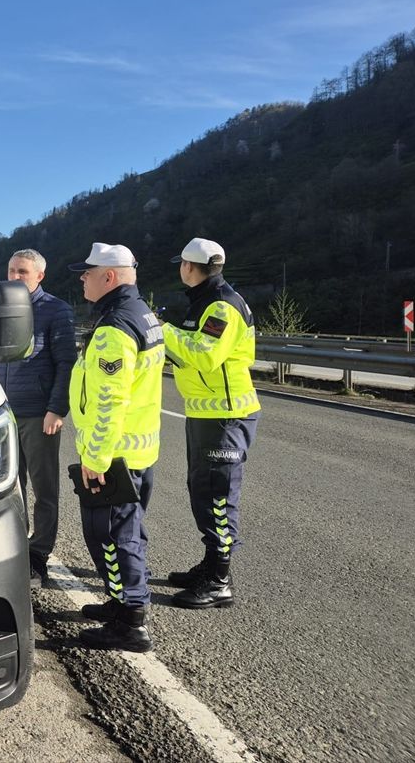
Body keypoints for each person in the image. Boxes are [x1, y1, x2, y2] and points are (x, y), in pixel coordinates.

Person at [68, 242, 164, 652]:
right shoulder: (143, 315)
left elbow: (110, 401)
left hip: (115, 457)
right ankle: (121, 602)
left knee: (110, 537)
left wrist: (96, 458)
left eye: (87, 273)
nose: (82, 280)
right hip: (138, 450)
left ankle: (131, 623)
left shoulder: (113, 328)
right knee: (128, 532)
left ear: (109, 277)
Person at [163, 238, 260, 610]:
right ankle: (211, 564)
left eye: (181, 264)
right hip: (205, 411)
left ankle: (219, 580)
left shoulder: (222, 305)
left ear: (189, 267)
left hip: (226, 414)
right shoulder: (206, 301)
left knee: (218, 495)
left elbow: (203, 356)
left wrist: (159, 330)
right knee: (201, 490)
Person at [0, 250, 76, 588]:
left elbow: (67, 363)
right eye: (11, 270)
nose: (15, 277)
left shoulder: (56, 310)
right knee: (10, 486)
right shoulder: (1, 307)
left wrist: (56, 409)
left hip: (39, 414)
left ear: (40, 276)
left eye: (23, 272)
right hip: (4, 413)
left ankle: (38, 554)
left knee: (44, 489)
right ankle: (14, 546)